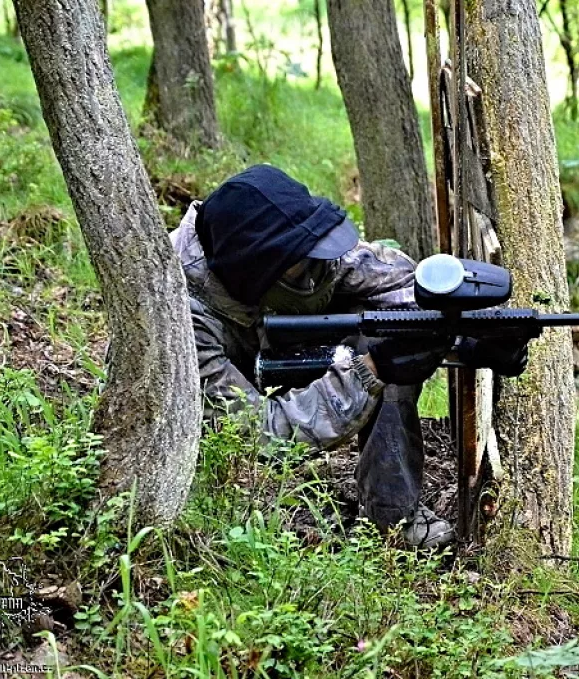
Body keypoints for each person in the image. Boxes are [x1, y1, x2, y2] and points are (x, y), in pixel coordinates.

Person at [169, 164, 528, 548]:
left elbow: (404, 288)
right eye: (303, 268)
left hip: (284, 343)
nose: (320, 269)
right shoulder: (179, 313)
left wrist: (469, 336)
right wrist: (368, 371)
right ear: (257, 272)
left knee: (395, 329)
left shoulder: (294, 241)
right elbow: (259, 434)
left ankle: (392, 517)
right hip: (227, 393)